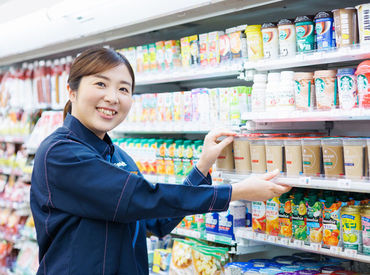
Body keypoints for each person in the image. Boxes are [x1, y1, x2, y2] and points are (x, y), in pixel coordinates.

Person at [30, 48, 291, 275]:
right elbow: (142, 197)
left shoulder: (118, 156)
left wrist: (202, 167)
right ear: (72, 91)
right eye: (100, 84)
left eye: (123, 89)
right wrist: (237, 192)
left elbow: (156, 220)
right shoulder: (60, 153)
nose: (113, 97)